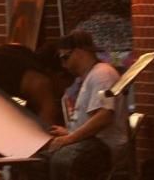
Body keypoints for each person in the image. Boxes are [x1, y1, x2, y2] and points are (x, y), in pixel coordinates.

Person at [44, 32, 128, 180]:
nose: (63, 65)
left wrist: (69, 139)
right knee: (39, 158)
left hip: (102, 145)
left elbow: (104, 116)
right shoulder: (90, 76)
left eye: (65, 58)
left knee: (63, 159)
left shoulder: (102, 75)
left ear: (79, 52)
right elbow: (91, 117)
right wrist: (69, 132)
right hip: (92, 142)